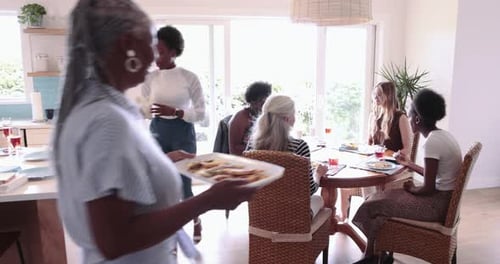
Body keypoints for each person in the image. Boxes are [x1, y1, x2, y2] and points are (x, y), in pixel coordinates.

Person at [52, 1, 256, 263]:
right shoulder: (108, 122)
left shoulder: (93, 108)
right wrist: (207, 201)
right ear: (127, 45)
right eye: (150, 43)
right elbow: (115, 240)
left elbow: (113, 183)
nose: (153, 56)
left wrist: (162, 161)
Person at [351, 89, 462, 264]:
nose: (408, 118)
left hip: (435, 206)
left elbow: (428, 187)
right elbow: (434, 175)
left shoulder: (432, 143)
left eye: (410, 115)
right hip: (444, 201)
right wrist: (409, 164)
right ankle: (373, 254)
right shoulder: (443, 136)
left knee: (371, 205)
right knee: (378, 204)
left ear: (417, 119)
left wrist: (413, 189)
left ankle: (373, 255)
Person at [141, 25, 206, 243]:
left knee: (184, 184)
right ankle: (167, 231)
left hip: (182, 133)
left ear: (173, 52)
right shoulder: (149, 78)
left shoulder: (189, 78)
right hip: (158, 132)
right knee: (159, 183)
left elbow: (201, 114)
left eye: (159, 50)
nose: (154, 56)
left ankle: (196, 221)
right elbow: (144, 110)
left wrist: (176, 112)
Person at [246, 95, 327, 208]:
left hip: (262, 212)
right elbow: (309, 190)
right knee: (318, 199)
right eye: (294, 113)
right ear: (287, 119)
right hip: (292, 215)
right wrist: (318, 174)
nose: (295, 117)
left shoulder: (251, 146)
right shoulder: (300, 146)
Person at [368, 81, 412, 157]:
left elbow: (407, 149)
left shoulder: (401, 117)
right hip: (375, 161)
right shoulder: (373, 115)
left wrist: (391, 156)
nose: (375, 97)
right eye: (374, 94)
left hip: (394, 162)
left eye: (379, 94)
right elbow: (369, 142)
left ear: (389, 96)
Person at [229, 81, 272, 156]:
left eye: (264, 102)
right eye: (259, 102)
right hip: (247, 159)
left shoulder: (268, 115)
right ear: (251, 101)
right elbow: (233, 150)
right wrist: (259, 150)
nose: (261, 106)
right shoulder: (240, 118)